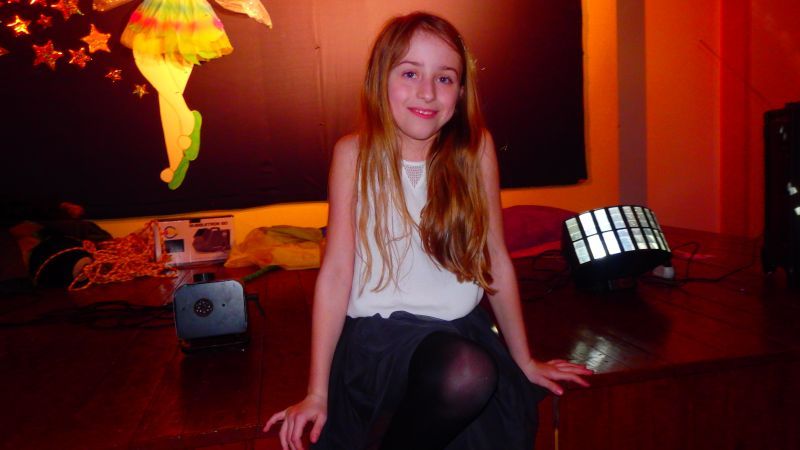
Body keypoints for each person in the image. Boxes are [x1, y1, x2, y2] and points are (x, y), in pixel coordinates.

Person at [264, 12, 592, 450]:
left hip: (460, 334)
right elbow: (337, 272)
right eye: (410, 73)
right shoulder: (353, 154)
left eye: (444, 78)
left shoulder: (476, 150)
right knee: (464, 373)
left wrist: (524, 359)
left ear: (461, 91)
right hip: (381, 344)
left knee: (468, 374)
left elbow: (494, 258)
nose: (427, 92)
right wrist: (317, 392)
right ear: (380, 79)